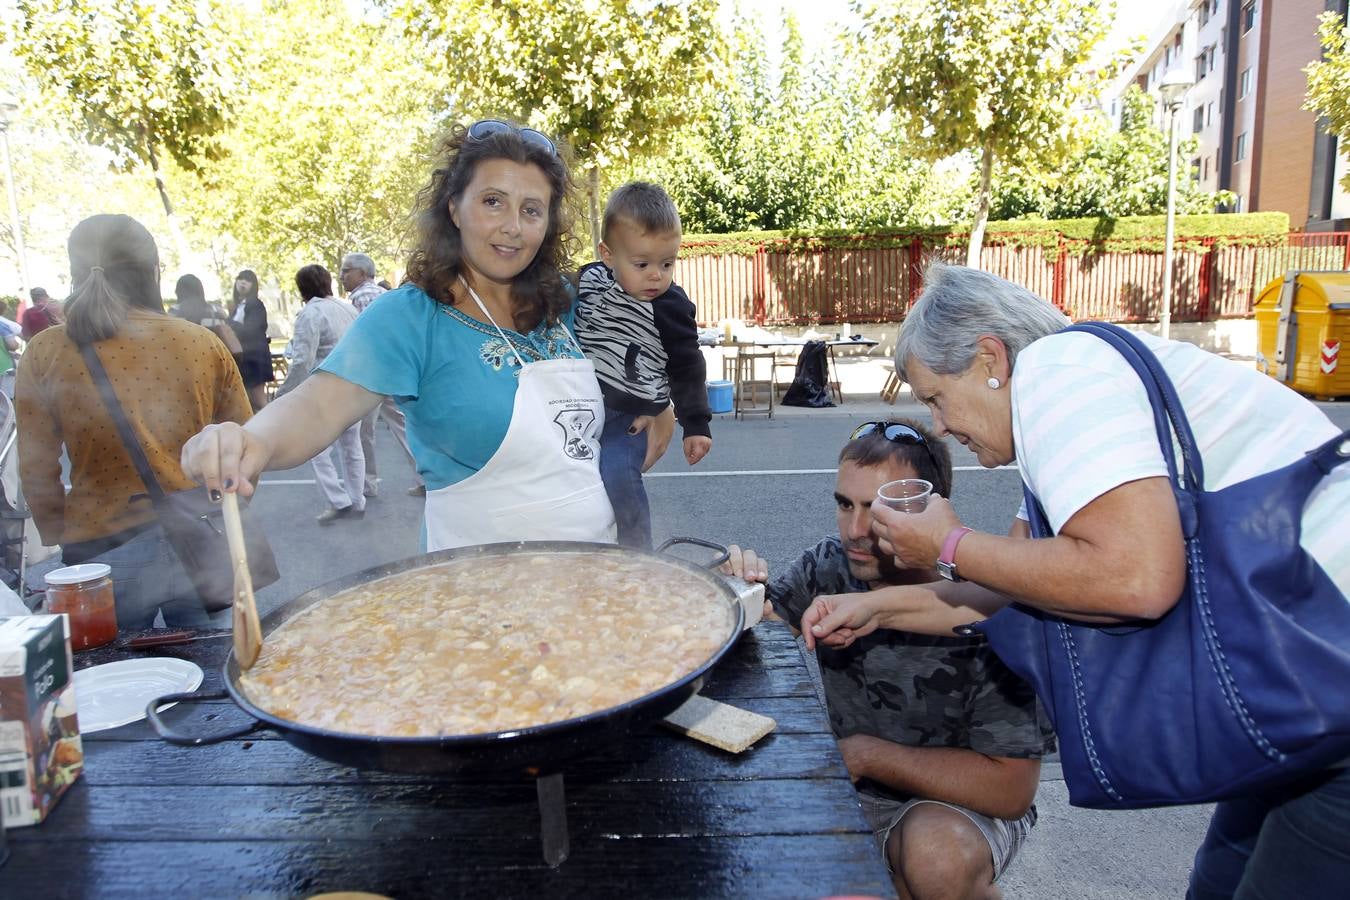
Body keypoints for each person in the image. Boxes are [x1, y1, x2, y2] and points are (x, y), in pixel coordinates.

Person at [802, 262, 1350, 899]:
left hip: (1328, 683)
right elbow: (1010, 586)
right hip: (1301, 692)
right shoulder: (1061, 411)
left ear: (989, 359)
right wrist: (877, 610)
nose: (941, 425)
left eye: (935, 397)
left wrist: (948, 541)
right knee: (1217, 882)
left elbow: (1137, 578)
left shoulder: (1061, 374)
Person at [180, 119, 674, 552]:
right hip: (473, 598)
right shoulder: (412, 317)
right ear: (454, 208)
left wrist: (663, 404)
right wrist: (249, 441)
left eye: (531, 210)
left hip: (597, 573)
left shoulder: (570, 302)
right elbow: (317, 406)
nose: (512, 227)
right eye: (493, 202)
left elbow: (642, 348)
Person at [724, 419, 1052, 900]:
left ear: (928, 511)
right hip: (850, 790)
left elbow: (1010, 790)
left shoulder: (991, 600)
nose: (855, 531)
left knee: (936, 858)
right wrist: (740, 595)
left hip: (957, 810)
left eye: (876, 510)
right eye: (844, 504)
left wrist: (867, 755)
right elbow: (763, 642)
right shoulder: (830, 565)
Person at [15, 214, 251, 629]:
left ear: (75, 272)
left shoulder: (46, 350)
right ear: (152, 271)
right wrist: (233, 503)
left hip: (97, 552)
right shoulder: (199, 343)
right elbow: (244, 443)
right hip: (195, 542)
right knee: (211, 673)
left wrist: (54, 530)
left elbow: (36, 464)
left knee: (108, 679)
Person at [573, 181, 711, 549]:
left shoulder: (670, 306)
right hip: (577, 405)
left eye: (667, 263)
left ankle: (637, 552)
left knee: (618, 473)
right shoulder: (587, 282)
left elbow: (687, 365)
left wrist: (696, 424)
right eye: (642, 264)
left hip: (628, 416)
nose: (656, 275)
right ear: (607, 255)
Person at [280, 264, 364, 524]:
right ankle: (357, 499)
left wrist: (285, 394)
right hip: (355, 387)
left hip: (325, 390)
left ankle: (339, 501)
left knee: (318, 450)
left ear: (302, 288)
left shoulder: (311, 313)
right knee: (352, 447)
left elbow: (303, 360)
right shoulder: (348, 308)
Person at [339, 251, 423, 498]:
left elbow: (363, 339)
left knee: (365, 432)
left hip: (370, 375)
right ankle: (423, 477)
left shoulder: (360, 298)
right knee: (402, 425)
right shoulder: (385, 295)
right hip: (394, 369)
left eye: (346, 271)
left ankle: (368, 483)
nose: (342, 276)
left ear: (362, 273)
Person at [228, 269, 273, 411]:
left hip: (255, 358)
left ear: (253, 285)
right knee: (250, 402)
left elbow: (251, 329)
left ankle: (272, 428)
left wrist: (228, 323)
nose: (242, 282)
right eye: (240, 278)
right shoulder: (239, 306)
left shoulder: (255, 304)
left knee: (259, 400)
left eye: (247, 280)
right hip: (246, 358)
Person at [173, 274, 242, 356]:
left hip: (185, 360)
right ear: (200, 290)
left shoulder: (175, 311)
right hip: (213, 359)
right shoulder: (215, 311)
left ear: (178, 291)